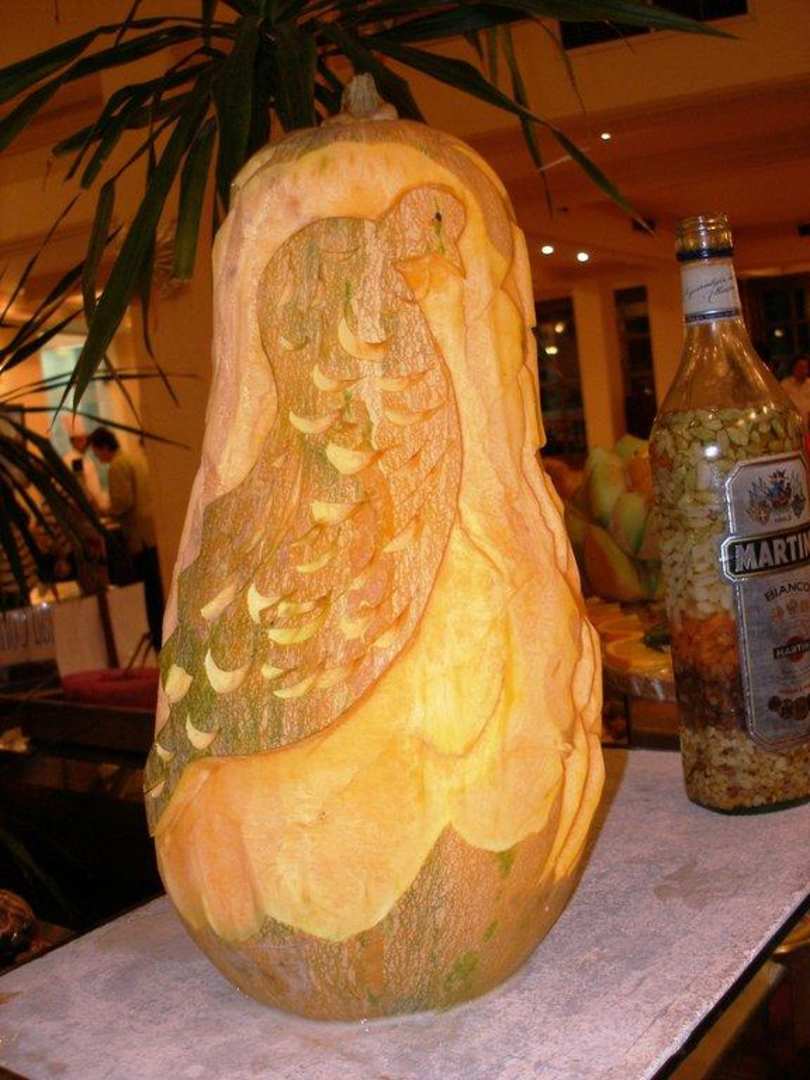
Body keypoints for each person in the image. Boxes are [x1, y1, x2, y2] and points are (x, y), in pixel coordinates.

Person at [88, 427, 164, 651]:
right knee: (157, 589)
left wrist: (102, 510)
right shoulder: (135, 459)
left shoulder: (117, 466)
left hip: (139, 537)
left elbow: (123, 503)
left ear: (103, 447)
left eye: (96, 452)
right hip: (152, 533)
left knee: (150, 595)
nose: (97, 458)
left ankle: (158, 638)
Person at [61, 416, 106, 510]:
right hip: (86, 507)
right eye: (80, 440)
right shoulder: (74, 460)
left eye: (85, 439)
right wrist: (94, 505)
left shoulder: (87, 458)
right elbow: (81, 487)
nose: (84, 443)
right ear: (72, 442)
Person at [780, 355, 810, 431]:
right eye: (800, 367)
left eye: (805, 367)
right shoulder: (785, 385)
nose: (803, 370)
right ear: (794, 368)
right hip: (790, 424)